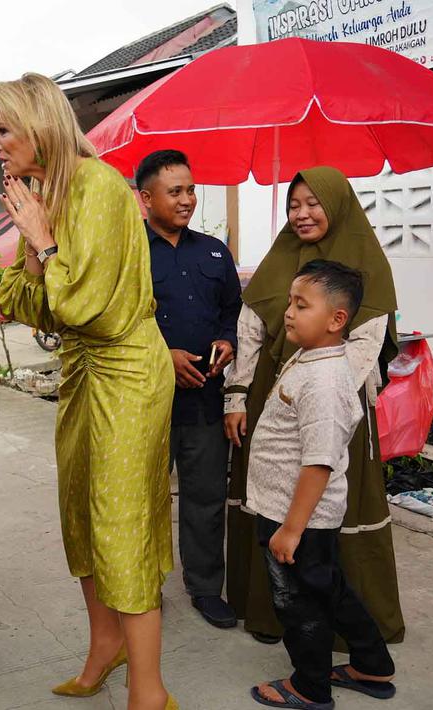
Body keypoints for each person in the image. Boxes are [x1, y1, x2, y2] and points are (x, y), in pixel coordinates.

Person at [0, 72, 177, 710]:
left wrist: (42, 241)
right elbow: (25, 302)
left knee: (122, 521)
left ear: (39, 125)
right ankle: (104, 646)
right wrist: (36, 239)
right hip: (82, 371)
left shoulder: (96, 186)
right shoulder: (50, 193)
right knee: (82, 515)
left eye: (3, 129)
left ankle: (148, 688)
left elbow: (84, 304)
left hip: (126, 371)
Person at [223, 166, 405, 647]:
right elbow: (251, 329)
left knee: (321, 504)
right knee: (270, 497)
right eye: (293, 204)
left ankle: (341, 639)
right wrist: (238, 394)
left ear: (338, 204)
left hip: (328, 400)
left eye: (313, 203)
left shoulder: (368, 265)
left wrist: (322, 388)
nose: (301, 214)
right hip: (272, 400)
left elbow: (363, 346)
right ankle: (269, 611)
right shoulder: (280, 258)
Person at [247, 259, 396, 709]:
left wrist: (291, 528)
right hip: (293, 512)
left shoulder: (326, 380)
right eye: (291, 302)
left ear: (336, 320)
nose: (289, 312)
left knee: (299, 604)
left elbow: (318, 461)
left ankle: (309, 686)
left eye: (301, 305)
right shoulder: (311, 357)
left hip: (297, 517)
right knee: (328, 588)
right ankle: (371, 662)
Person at [135, 150, 241, 629]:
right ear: (146, 198)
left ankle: (204, 588)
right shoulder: (127, 254)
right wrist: (164, 358)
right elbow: (116, 324)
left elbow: (233, 312)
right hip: (143, 403)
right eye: (175, 191)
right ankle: (140, 588)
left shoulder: (214, 251)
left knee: (205, 498)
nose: (187, 200)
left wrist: (227, 340)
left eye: (191, 190)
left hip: (204, 401)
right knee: (142, 499)